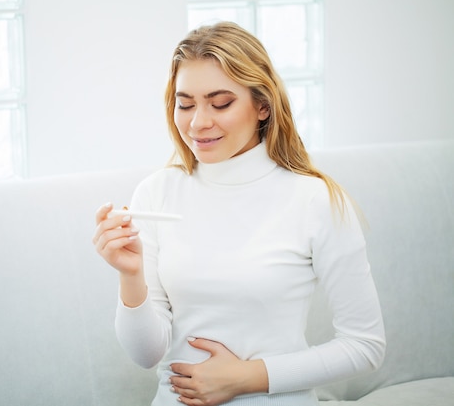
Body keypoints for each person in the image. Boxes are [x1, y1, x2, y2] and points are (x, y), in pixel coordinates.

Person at [92, 21, 385, 406]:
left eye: (220, 103)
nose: (198, 123)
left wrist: (248, 378)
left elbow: (365, 346)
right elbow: (145, 355)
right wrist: (130, 276)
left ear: (262, 105)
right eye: (185, 103)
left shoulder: (316, 200)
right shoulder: (156, 192)